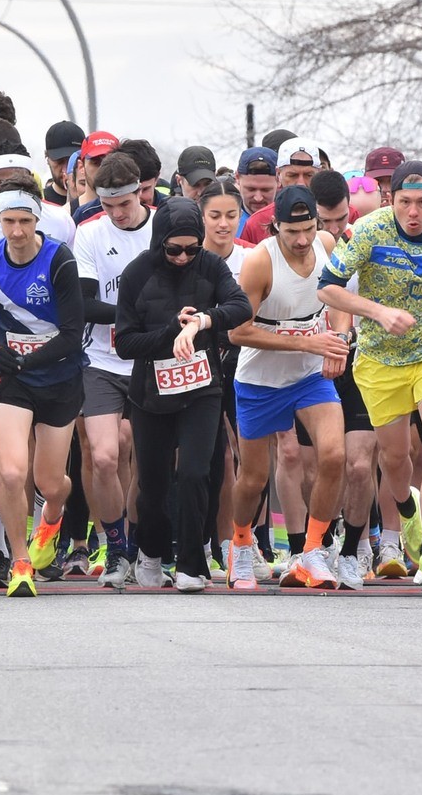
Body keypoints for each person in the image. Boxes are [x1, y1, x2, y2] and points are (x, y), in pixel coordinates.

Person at [317, 160, 422, 588]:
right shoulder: (371, 231)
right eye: (405, 203)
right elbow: (327, 286)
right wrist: (377, 312)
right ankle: (410, 513)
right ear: (390, 199)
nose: (413, 213)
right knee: (396, 460)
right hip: (379, 358)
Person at [0, 175, 88, 596]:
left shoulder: (58, 260)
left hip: (59, 378)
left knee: (51, 482)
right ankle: (20, 560)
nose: (16, 231)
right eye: (8, 221)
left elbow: (71, 332)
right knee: (11, 473)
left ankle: (52, 517)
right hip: (11, 381)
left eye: (25, 221)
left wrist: (26, 358)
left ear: (37, 219)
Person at [112, 196, 252, 591]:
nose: (183, 257)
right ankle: (152, 551)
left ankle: (192, 563)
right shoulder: (137, 273)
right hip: (150, 394)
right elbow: (125, 343)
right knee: (153, 485)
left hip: (201, 389)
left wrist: (204, 321)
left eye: (192, 248)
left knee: (195, 472)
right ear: (160, 243)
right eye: (174, 249)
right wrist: (172, 332)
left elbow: (240, 306)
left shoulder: (210, 265)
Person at [226, 186, 351, 589]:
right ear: (275, 226)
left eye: (308, 229)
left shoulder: (327, 242)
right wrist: (306, 341)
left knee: (334, 454)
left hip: (310, 374)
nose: (301, 241)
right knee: (253, 478)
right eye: (291, 231)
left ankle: (311, 552)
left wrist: (338, 340)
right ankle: (241, 543)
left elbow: (339, 302)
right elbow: (237, 332)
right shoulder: (260, 263)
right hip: (261, 379)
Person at [73, 153, 156, 587]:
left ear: (141, 190)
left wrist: (144, 323)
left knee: (147, 459)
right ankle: (116, 544)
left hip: (151, 359)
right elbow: (86, 304)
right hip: (103, 361)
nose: (117, 214)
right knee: (104, 457)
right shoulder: (88, 234)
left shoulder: (162, 226)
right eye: (108, 206)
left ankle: (144, 544)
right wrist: (137, 316)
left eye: (124, 204)